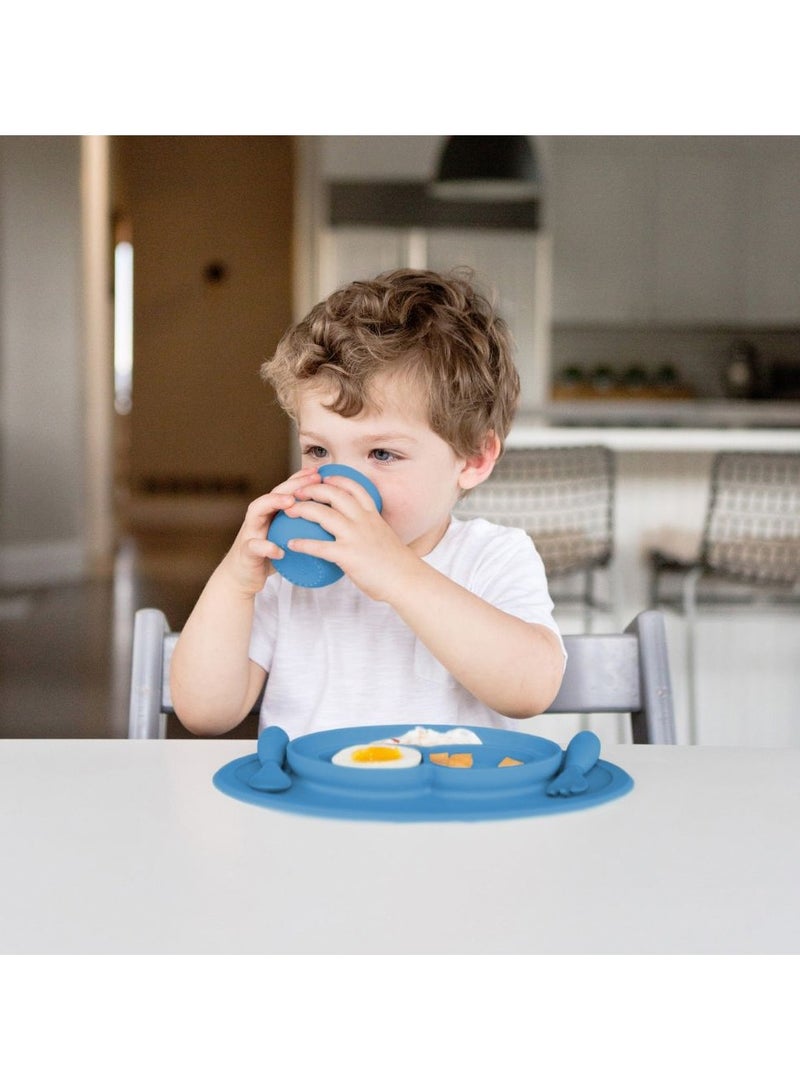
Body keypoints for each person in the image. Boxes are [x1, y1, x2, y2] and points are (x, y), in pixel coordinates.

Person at [170, 268, 565, 738]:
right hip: (311, 806)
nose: (342, 482)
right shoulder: (290, 573)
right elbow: (203, 713)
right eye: (319, 451)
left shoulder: (493, 556)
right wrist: (236, 581)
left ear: (474, 459)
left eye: (382, 454)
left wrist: (395, 572)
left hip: (445, 805)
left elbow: (529, 690)